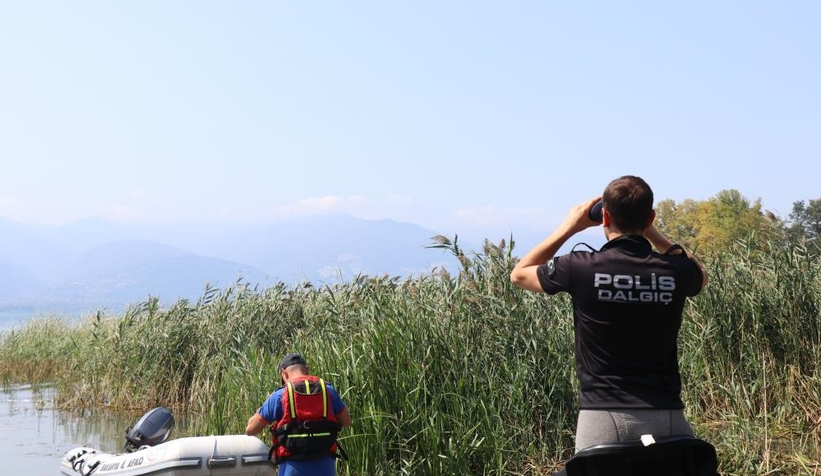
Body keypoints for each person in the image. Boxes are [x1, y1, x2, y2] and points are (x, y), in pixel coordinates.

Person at [509, 175, 708, 453]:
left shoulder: (579, 267)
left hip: (602, 418)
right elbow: (701, 275)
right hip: (669, 417)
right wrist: (652, 232)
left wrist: (570, 226)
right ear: (650, 217)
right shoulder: (674, 270)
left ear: (604, 216)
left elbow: (519, 275)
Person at [246, 353, 352, 476]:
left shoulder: (280, 395)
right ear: (307, 370)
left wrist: (262, 410)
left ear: (284, 373)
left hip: (292, 468)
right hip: (325, 467)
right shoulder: (328, 391)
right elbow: (346, 421)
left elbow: (250, 429)